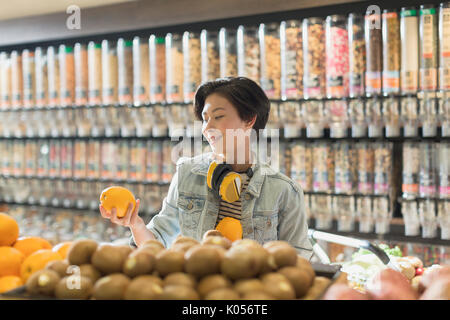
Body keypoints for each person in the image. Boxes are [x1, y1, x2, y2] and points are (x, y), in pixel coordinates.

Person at [100, 77, 313, 259]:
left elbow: (298, 261)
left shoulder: (284, 191)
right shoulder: (187, 174)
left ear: (248, 119)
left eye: (218, 117)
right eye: (205, 119)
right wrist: (135, 224)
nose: (207, 128)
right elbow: (157, 243)